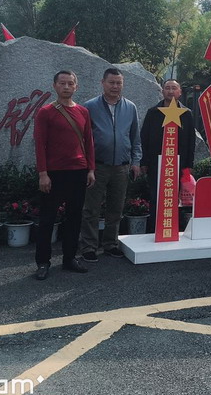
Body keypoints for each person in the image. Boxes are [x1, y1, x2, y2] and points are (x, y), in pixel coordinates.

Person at [33, 70, 96, 280]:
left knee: (74, 217)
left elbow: (89, 142)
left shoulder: (83, 112)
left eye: (70, 83)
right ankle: (43, 262)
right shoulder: (45, 112)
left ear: (76, 86)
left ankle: (69, 259)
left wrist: (91, 169)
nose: (66, 87)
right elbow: (39, 145)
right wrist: (43, 174)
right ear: (55, 86)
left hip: (78, 171)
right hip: (53, 173)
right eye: (62, 83)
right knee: (47, 219)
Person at [79, 68, 142, 262]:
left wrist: (136, 161)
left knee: (116, 209)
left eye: (118, 83)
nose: (115, 86)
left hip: (121, 167)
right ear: (103, 83)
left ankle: (110, 244)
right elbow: (83, 138)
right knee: (91, 209)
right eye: (111, 82)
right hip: (97, 166)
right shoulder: (89, 106)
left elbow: (135, 137)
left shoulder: (130, 107)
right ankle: (89, 246)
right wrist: (87, 165)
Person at [140, 79, 196, 233]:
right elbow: (144, 138)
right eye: (167, 88)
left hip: (178, 165)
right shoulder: (153, 112)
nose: (171, 91)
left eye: (174, 88)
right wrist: (144, 162)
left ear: (180, 92)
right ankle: (154, 231)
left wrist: (189, 165)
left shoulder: (187, 114)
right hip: (156, 164)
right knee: (155, 197)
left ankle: (172, 231)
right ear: (162, 91)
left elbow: (191, 141)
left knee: (175, 198)